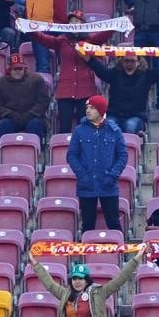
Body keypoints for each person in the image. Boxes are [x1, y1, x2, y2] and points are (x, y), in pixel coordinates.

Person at [30, 13, 111, 134]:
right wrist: (30, 29)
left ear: (83, 25)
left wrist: (116, 26)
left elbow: (104, 35)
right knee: (64, 128)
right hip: (65, 91)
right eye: (72, 21)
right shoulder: (61, 40)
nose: (74, 24)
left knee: (85, 128)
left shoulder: (90, 40)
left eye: (77, 21)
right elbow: (43, 39)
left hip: (86, 90)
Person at [67, 95, 127, 234]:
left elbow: (122, 155)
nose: (88, 110)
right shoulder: (79, 130)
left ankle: (121, 254)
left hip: (108, 185)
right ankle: (86, 255)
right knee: (87, 225)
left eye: (92, 108)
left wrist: (112, 176)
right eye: (87, 107)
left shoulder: (114, 131)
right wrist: (83, 176)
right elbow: (71, 155)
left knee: (113, 223)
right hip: (86, 185)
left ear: (100, 110)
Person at [85, 53, 159, 136]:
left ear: (138, 62)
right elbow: (101, 71)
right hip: (114, 115)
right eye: (126, 61)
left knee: (130, 128)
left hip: (136, 117)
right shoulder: (115, 74)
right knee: (109, 130)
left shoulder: (146, 75)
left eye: (132, 61)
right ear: (122, 62)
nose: (129, 64)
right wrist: (89, 59)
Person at [0, 54, 50, 141]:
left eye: (20, 69)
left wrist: (30, 114)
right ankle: (0, 152)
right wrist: (11, 114)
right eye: (15, 69)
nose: (18, 71)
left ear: (25, 69)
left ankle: (37, 151)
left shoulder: (37, 80)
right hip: (10, 117)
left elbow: (43, 101)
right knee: (4, 124)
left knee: (36, 124)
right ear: (9, 69)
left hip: (32, 116)